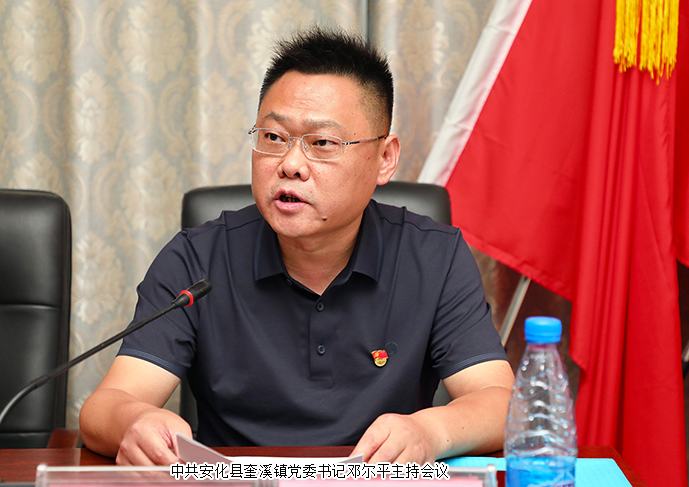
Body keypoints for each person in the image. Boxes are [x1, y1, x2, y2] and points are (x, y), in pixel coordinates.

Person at [80, 26, 514, 467]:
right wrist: (136, 420)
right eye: (273, 138)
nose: (290, 164)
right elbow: (105, 407)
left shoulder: (434, 257)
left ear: (385, 158)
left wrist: (430, 432)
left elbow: (499, 402)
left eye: (322, 143)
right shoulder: (197, 258)